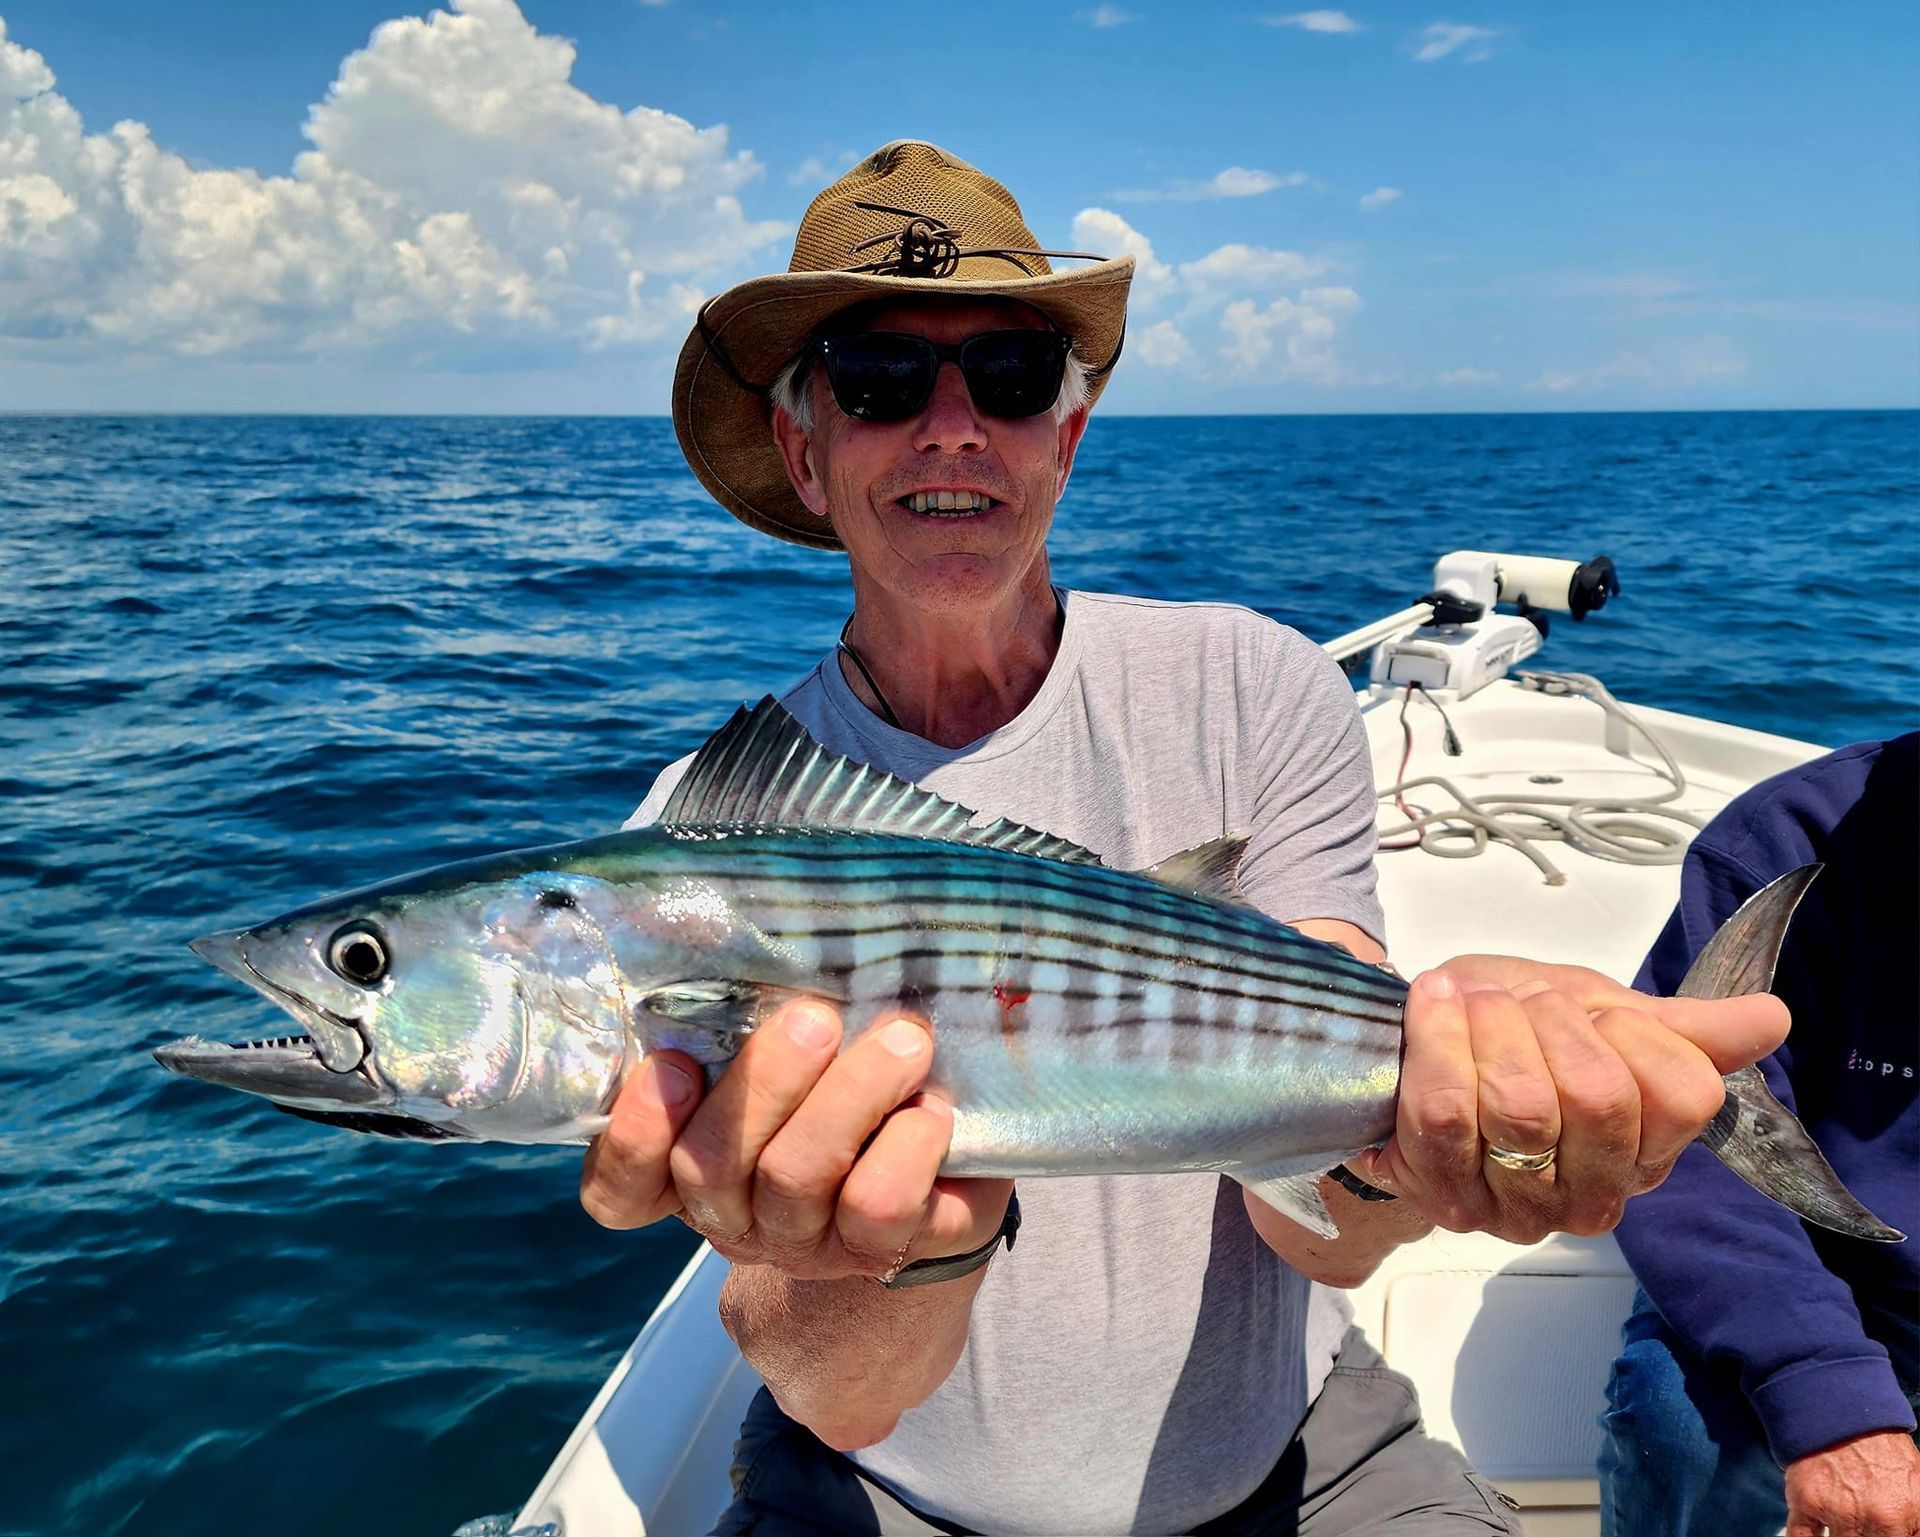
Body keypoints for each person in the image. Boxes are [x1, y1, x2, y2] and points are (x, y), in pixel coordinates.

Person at [577, 141, 1790, 1535]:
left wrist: (1415, 1138)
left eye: (1014, 378)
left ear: (1067, 434)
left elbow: (1313, 1226)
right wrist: (902, 1252)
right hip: (887, 1494)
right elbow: (840, 1397)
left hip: (1302, 1461)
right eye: (880, 379)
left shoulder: (1253, 684)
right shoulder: (706, 834)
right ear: (804, 449)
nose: (953, 426)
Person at [1599, 733, 1919, 1537]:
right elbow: (1686, 1142)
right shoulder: (1783, 845)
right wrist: (1827, 1392)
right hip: (1838, 1286)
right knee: (1683, 1429)